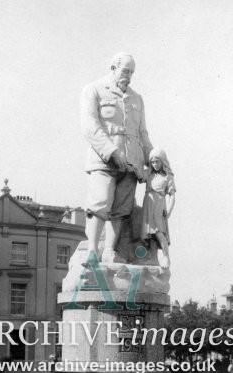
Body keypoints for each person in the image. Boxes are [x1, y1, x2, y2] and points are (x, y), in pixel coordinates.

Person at [80, 52, 153, 263]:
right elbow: (89, 126)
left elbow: (143, 134)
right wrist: (112, 151)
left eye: (131, 72)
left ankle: (110, 251)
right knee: (99, 203)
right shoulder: (93, 90)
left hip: (132, 164)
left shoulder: (137, 98)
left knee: (122, 210)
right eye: (125, 71)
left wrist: (153, 159)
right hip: (104, 161)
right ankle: (93, 250)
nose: (128, 76)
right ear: (113, 68)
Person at [139, 148, 176, 269]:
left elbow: (172, 195)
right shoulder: (149, 174)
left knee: (159, 232)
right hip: (148, 203)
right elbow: (138, 175)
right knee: (150, 234)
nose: (155, 164)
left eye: (157, 161)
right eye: (153, 162)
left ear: (162, 161)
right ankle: (153, 258)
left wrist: (169, 211)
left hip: (159, 205)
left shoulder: (168, 176)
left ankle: (166, 257)